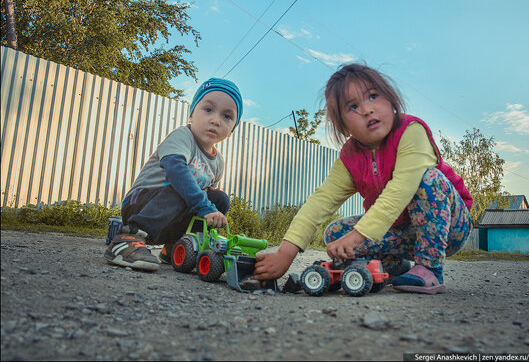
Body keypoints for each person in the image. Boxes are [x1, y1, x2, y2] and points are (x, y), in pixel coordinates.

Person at [253, 64, 473, 294]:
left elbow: (398, 193)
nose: (367, 109)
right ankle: (391, 268)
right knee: (336, 234)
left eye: (373, 96)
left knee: (428, 179)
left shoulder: (411, 131)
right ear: (343, 124)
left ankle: (429, 268)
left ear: (390, 99)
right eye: (353, 106)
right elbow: (321, 201)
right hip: (400, 233)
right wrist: (284, 254)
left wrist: (357, 237)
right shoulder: (350, 157)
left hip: (449, 229)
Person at [104, 78, 243, 272]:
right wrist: (203, 204)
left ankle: (179, 246)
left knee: (218, 199)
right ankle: (128, 238)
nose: (216, 120)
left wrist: (209, 204)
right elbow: (175, 169)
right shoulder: (183, 136)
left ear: (232, 130)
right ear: (192, 114)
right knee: (183, 184)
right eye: (208, 110)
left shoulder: (217, 162)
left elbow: (206, 196)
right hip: (141, 205)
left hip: (171, 215)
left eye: (227, 116)